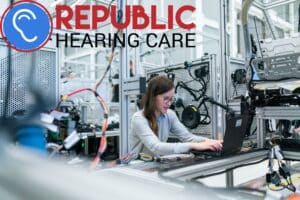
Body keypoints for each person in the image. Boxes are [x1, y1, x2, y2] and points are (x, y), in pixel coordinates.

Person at [130, 75, 223, 157]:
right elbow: (156, 147)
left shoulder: (170, 115)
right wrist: (193, 145)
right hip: (137, 167)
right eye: (166, 98)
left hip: (155, 164)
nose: (169, 103)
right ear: (153, 97)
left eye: (171, 99)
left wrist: (210, 142)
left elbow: (188, 138)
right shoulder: (139, 118)